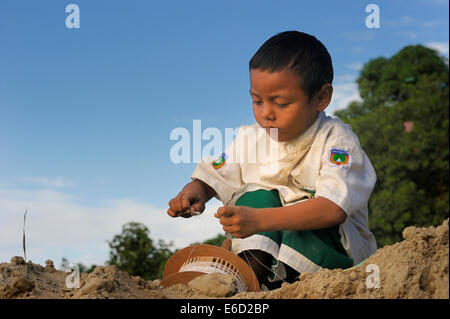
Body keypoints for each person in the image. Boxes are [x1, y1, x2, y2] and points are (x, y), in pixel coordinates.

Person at [167, 31, 377, 290]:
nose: (266, 114)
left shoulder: (337, 141)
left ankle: (274, 282)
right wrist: (195, 192)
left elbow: (332, 208)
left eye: (281, 103)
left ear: (321, 98)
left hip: (329, 256)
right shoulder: (250, 138)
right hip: (268, 253)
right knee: (256, 195)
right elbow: (218, 175)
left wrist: (260, 220)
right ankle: (243, 282)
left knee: (286, 205)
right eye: (257, 101)